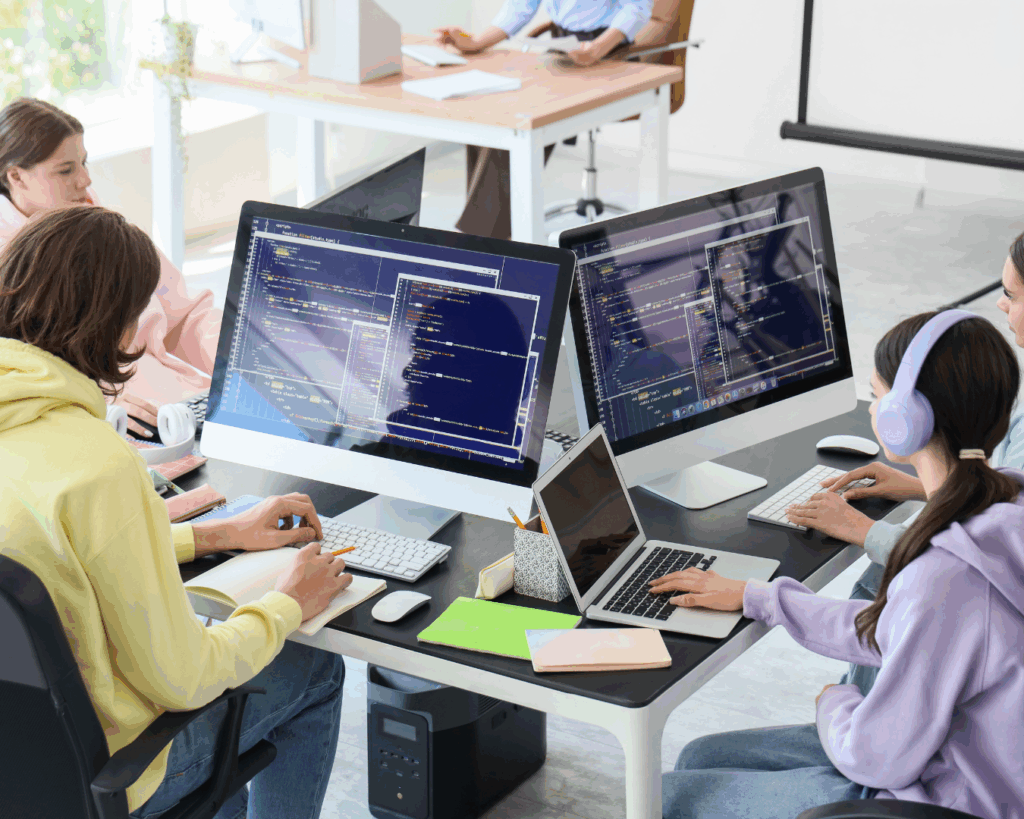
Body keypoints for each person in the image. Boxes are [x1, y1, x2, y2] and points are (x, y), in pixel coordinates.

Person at [0, 206, 352, 818]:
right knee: (311, 666)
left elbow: (57, 563)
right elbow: (182, 679)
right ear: (115, 322)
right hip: (112, 774)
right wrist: (287, 604)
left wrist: (216, 534)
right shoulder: (97, 465)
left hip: (18, 770)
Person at [648, 310, 1024, 819]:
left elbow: (875, 757)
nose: (874, 408)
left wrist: (834, 704)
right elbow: (906, 628)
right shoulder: (1006, 507)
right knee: (700, 756)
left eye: (877, 395)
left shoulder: (946, 576)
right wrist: (759, 597)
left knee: (671, 798)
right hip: (968, 762)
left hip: (941, 797)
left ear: (905, 418)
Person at [785, 229, 1024, 697]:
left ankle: (863, 705)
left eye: (1011, 294)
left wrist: (861, 530)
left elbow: (969, 567)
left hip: (889, 751)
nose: (999, 305)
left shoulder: (942, 574)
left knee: (883, 573)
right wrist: (921, 484)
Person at [0, 97, 222, 438]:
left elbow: (187, 314)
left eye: (84, 164)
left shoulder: (99, 223)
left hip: (182, 402)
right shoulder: (11, 261)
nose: (85, 180)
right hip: (114, 422)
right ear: (16, 176)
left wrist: (238, 364)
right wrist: (96, 401)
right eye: (66, 170)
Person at [434, 0, 653, 240]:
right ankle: (490, 229)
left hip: (610, 51)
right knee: (496, 111)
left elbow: (637, 7)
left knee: (528, 115)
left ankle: (477, 236)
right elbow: (521, 6)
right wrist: (476, 42)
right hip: (563, 47)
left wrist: (598, 48)